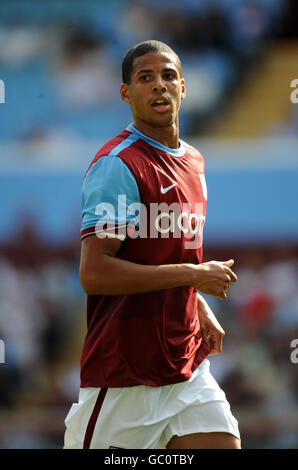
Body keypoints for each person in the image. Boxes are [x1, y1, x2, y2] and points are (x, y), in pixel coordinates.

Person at [63, 40, 241, 450]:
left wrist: (196, 303)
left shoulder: (194, 161)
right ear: (126, 92)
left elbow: (162, 254)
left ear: (184, 87)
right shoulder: (118, 165)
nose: (158, 85)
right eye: (145, 77)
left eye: (168, 76)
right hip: (126, 373)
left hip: (186, 367)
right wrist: (194, 277)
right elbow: (95, 272)